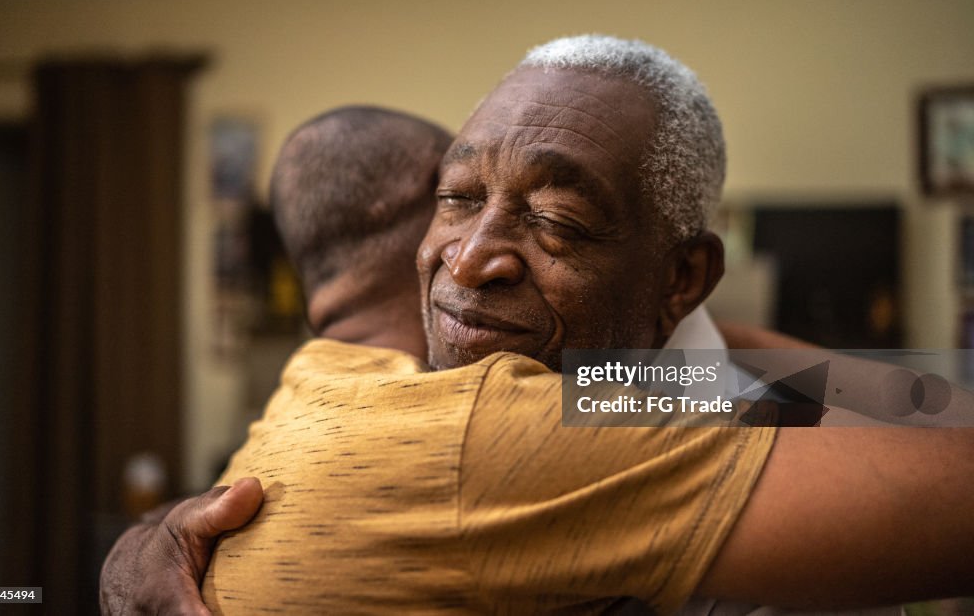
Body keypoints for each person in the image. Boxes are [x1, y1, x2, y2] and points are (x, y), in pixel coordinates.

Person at [199, 36, 974, 612]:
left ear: (682, 279)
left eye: (557, 219)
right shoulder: (499, 421)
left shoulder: (324, 381)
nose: (468, 259)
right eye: (458, 197)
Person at [99, 105, 453, 615]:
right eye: (459, 197)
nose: (487, 226)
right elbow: (585, 409)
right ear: (394, 210)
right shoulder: (475, 409)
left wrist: (137, 541)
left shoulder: (286, 408)